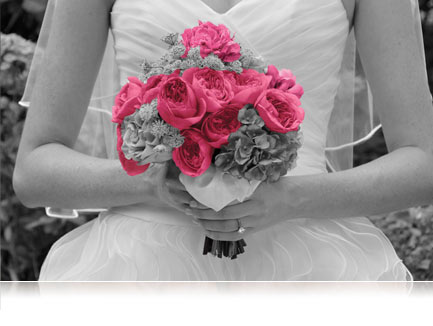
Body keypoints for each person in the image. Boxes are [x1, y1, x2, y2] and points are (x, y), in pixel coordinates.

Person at [13, 0, 433, 281]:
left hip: (310, 267)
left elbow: (423, 162)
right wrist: (153, 184)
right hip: (140, 270)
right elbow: (35, 170)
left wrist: (291, 198)